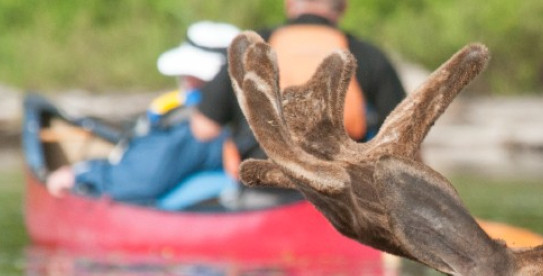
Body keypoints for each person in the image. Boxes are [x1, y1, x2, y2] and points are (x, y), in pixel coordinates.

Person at [192, 0, 407, 176]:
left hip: (262, 190)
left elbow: (204, 128)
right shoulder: (368, 55)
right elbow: (403, 139)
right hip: (338, 193)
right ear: (343, 7)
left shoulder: (253, 48)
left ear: (289, 4)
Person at [47, 21, 242, 209]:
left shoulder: (194, 126)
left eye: (188, 73)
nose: (184, 79)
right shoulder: (247, 115)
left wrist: (80, 175)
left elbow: (141, 179)